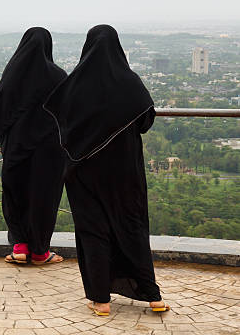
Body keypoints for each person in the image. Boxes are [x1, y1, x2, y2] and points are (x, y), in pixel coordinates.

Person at [43, 24, 170, 315]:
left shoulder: (74, 85)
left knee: (93, 231)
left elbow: (60, 123)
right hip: (125, 172)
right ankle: (153, 297)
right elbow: (145, 122)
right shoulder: (129, 83)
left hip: (84, 172)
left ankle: (101, 300)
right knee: (132, 227)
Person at [0, 27, 67, 265]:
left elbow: (1, 109)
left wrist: (5, 139)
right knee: (44, 196)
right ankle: (40, 252)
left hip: (16, 146)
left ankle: (20, 247)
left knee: (16, 193)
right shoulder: (58, 76)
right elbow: (67, 113)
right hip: (49, 150)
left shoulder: (12, 73)